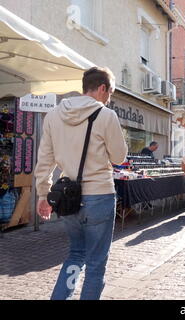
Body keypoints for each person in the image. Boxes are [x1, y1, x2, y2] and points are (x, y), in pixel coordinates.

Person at [34, 67, 128, 300]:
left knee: (75, 255)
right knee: (96, 263)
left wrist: (43, 194)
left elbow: (45, 159)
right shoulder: (106, 116)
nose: (109, 99)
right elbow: (119, 157)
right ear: (102, 88)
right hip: (100, 196)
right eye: (110, 93)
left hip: (69, 198)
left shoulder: (54, 115)